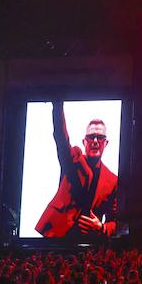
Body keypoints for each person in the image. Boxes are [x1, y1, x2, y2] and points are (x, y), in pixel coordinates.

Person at [35, 101, 118, 238]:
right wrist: (57, 105)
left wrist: (101, 227)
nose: (95, 141)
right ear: (84, 142)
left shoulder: (113, 181)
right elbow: (61, 139)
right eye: (91, 137)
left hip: (90, 243)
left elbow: (118, 224)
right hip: (58, 236)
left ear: (106, 143)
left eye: (100, 138)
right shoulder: (73, 160)